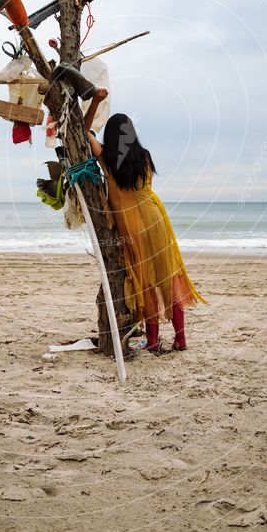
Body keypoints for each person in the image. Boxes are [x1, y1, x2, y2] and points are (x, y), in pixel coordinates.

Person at [84, 88, 206, 353]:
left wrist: (95, 102)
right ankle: (180, 338)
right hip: (157, 218)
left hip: (133, 226)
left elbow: (83, 132)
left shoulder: (106, 158)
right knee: (167, 277)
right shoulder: (145, 155)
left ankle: (152, 340)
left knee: (147, 281)